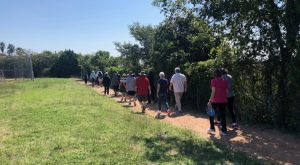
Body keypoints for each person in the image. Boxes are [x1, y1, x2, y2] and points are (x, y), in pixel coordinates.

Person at [207, 68, 228, 136]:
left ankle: (212, 128)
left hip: (215, 100)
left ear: (214, 74)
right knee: (223, 115)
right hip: (223, 100)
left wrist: (210, 100)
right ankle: (224, 131)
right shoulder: (225, 81)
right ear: (220, 74)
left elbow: (213, 91)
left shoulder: (213, 81)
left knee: (211, 114)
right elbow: (226, 92)